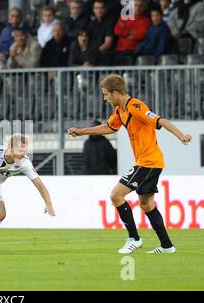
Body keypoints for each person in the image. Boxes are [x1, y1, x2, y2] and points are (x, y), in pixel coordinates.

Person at [68, 74, 192, 254]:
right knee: (146, 204)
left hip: (148, 162)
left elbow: (160, 120)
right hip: (148, 162)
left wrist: (181, 135)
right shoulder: (120, 110)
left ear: (116, 93)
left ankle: (134, 238)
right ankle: (167, 246)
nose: (105, 99)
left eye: (106, 95)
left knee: (116, 195)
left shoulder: (136, 107)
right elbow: (109, 128)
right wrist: (81, 132)